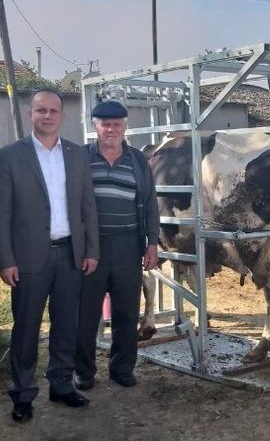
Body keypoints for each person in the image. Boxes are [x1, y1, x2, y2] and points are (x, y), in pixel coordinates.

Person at [0, 89, 99, 423]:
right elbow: (1, 213)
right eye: (42, 110)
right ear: (31, 114)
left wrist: (91, 249)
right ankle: (23, 394)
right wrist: (6, 259)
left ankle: (61, 384)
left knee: (67, 324)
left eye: (54, 110)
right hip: (28, 259)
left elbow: (87, 207)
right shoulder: (11, 155)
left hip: (70, 254)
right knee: (26, 328)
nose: (48, 116)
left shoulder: (76, 155)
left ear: (62, 116)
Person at [74, 101, 160, 390]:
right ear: (95, 126)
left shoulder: (137, 160)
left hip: (127, 245)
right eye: (105, 124)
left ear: (125, 127)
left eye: (117, 124)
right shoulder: (81, 158)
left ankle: (122, 368)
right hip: (91, 248)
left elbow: (149, 204)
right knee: (85, 314)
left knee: (126, 312)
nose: (111, 129)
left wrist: (151, 243)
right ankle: (84, 373)